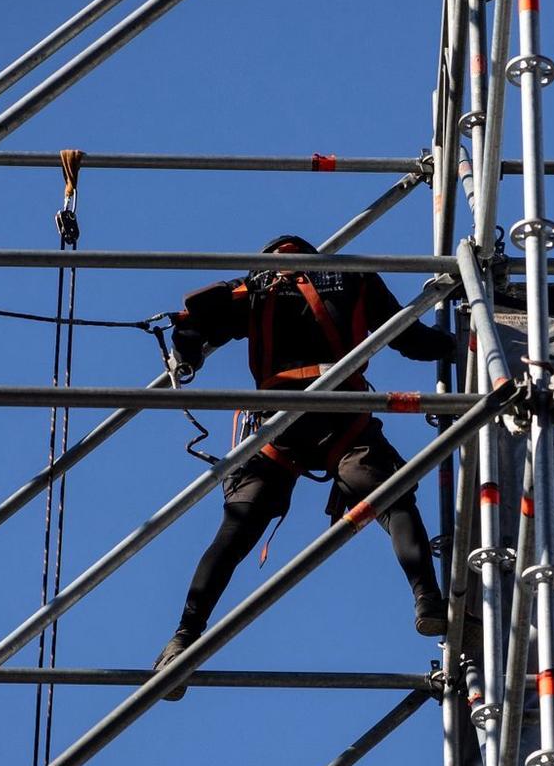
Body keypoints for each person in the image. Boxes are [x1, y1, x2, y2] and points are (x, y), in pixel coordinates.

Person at [153, 234, 458, 697]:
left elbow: (195, 327)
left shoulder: (255, 286)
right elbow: (411, 340)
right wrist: (458, 340)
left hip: (278, 423)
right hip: (342, 416)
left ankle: (184, 637)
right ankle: (428, 599)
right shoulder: (355, 278)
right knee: (391, 500)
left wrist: (186, 354)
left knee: (237, 530)